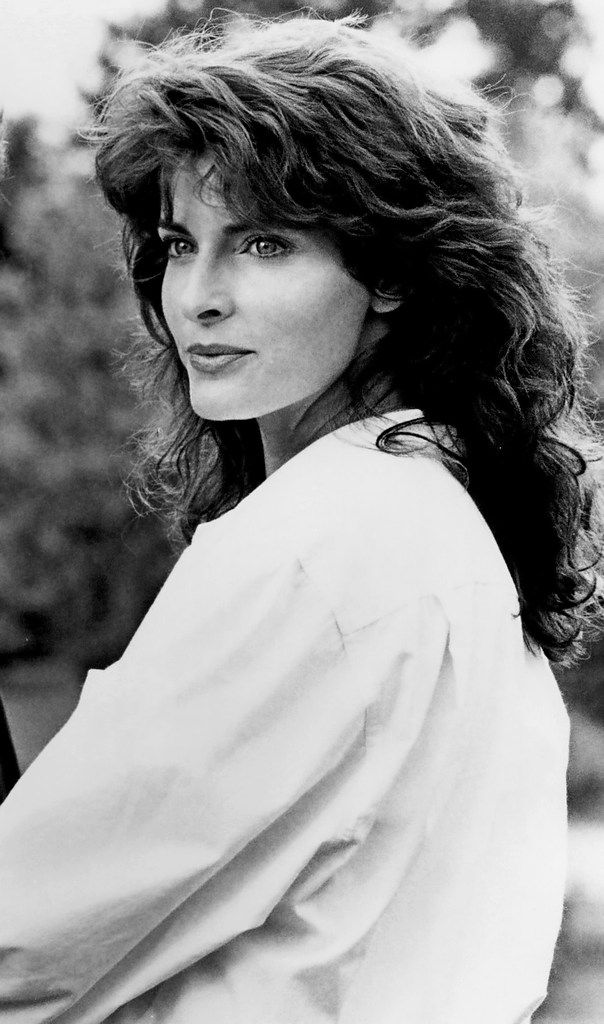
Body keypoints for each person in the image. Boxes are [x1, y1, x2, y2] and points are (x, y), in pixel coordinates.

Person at [0, 14, 601, 1024]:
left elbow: (22, 931)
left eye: (264, 244)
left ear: (394, 272)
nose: (198, 297)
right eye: (179, 244)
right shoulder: (446, 528)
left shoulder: (318, 546)